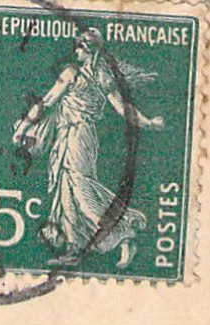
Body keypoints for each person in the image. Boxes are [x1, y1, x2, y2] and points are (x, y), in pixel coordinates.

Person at [10, 27, 164, 268]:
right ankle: (74, 247)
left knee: (81, 190)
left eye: (80, 47)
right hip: (72, 135)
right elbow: (125, 110)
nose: (76, 51)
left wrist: (22, 128)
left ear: (89, 50)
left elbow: (47, 102)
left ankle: (124, 234)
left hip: (77, 135)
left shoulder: (74, 74)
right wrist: (148, 123)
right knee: (66, 190)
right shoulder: (102, 78)